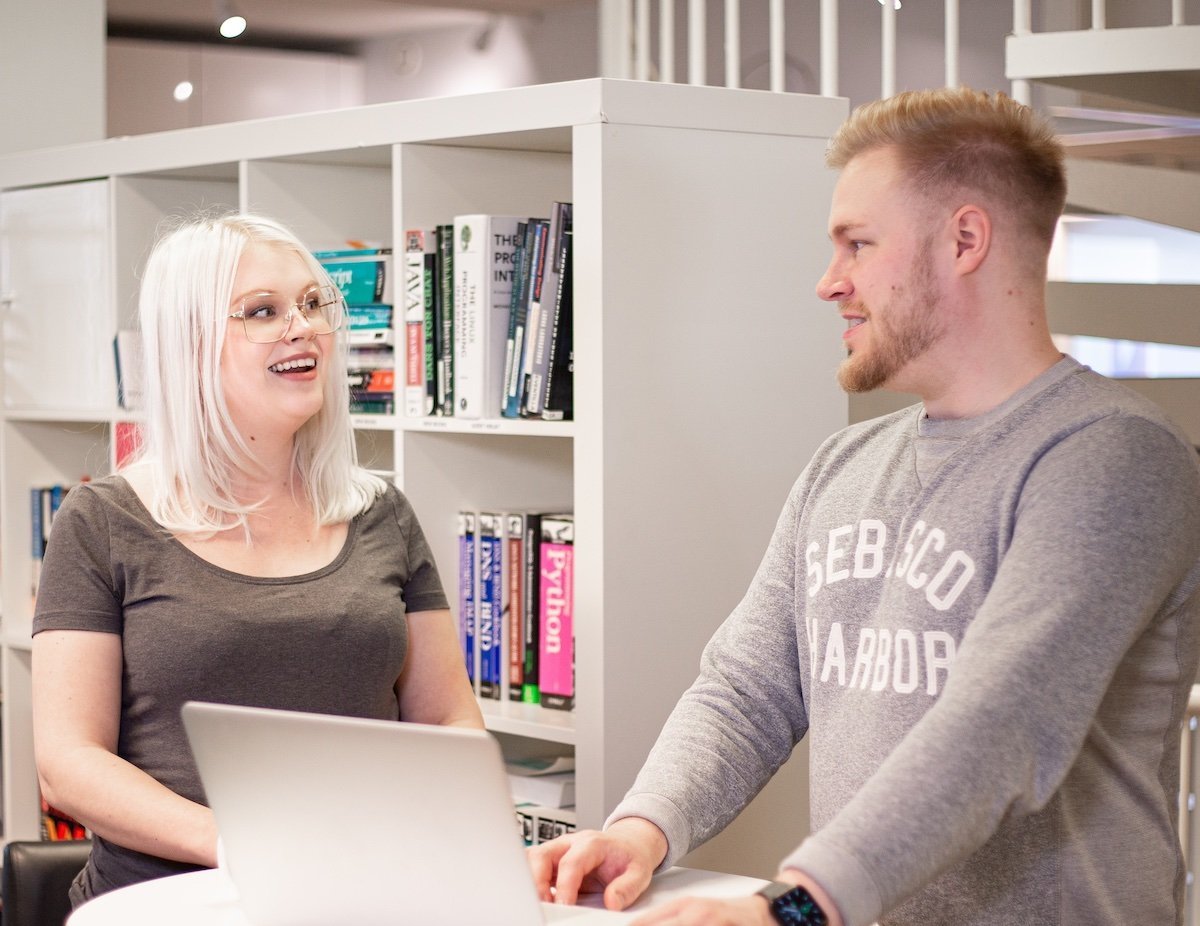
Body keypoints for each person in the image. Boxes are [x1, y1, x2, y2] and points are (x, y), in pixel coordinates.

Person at [528, 87, 1200, 926]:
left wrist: (796, 908)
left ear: (964, 239)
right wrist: (643, 825)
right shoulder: (842, 466)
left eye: (857, 243)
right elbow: (749, 687)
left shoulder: (1114, 458)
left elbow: (1002, 725)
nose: (828, 282)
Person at [31, 213, 483, 906]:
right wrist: (243, 847)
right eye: (263, 311)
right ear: (190, 345)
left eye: (311, 303)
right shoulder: (103, 520)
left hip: (363, 892)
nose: (301, 326)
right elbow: (68, 765)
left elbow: (449, 720)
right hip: (170, 901)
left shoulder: (380, 510)